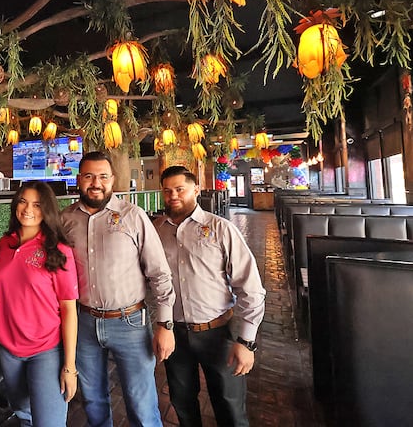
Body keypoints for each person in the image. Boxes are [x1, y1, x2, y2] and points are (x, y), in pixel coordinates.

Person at [61, 151, 176, 427]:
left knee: (141, 404)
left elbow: (159, 272)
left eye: (102, 176)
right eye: (89, 176)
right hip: (84, 322)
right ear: (79, 180)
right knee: (93, 402)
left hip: (130, 323)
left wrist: (165, 324)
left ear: (112, 180)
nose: (95, 183)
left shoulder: (132, 216)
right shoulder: (66, 220)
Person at [153, 166, 266, 427]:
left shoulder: (220, 228)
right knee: (183, 405)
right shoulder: (156, 231)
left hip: (217, 332)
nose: (173, 196)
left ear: (195, 189)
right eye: (167, 191)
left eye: (180, 189)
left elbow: (250, 287)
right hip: (175, 334)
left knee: (230, 408)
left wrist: (246, 341)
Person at [0, 180, 79, 426]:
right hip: (8, 349)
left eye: (37, 204)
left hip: (45, 350)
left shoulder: (58, 250)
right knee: (23, 415)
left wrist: (69, 367)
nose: (28, 209)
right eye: (23, 201)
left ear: (47, 209)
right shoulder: (5, 244)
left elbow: (69, 309)